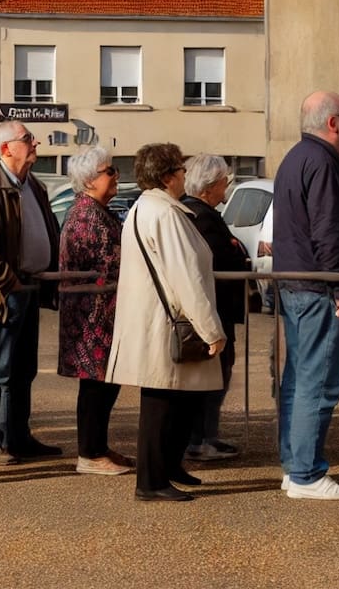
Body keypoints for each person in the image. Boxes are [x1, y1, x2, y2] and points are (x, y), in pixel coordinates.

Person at [272, 90, 339, 501]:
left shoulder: (297, 159)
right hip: (319, 290)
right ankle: (306, 473)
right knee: (318, 383)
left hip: (302, 286)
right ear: (333, 123)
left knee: (300, 381)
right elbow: (329, 231)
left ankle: (295, 466)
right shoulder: (321, 163)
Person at [104, 143, 227, 501]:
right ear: (169, 175)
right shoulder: (166, 214)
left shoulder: (146, 208)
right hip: (166, 322)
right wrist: (211, 329)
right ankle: (151, 481)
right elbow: (186, 277)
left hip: (156, 320)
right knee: (161, 404)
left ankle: (168, 468)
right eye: (181, 170)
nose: (185, 176)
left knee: (172, 401)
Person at [0, 121, 63, 465]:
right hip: (5, 292)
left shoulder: (33, 184)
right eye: (27, 139)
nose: (35, 143)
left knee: (23, 369)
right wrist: (8, 281)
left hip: (30, 286)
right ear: (6, 149)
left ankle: (17, 437)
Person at [57, 145, 135, 476]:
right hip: (91, 317)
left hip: (103, 314)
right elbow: (111, 264)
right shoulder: (86, 215)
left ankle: (98, 447)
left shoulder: (98, 210)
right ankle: (89, 453)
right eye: (109, 171)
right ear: (90, 180)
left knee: (105, 384)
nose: (116, 176)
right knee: (95, 386)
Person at [181, 154, 251, 462]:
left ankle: (206, 436)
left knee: (218, 376)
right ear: (209, 186)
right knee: (213, 378)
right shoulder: (202, 217)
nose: (227, 186)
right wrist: (239, 256)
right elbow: (221, 259)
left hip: (218, 309)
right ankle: (199, 440)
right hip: (214, 310)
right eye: (224, 181)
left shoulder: (201, 213)